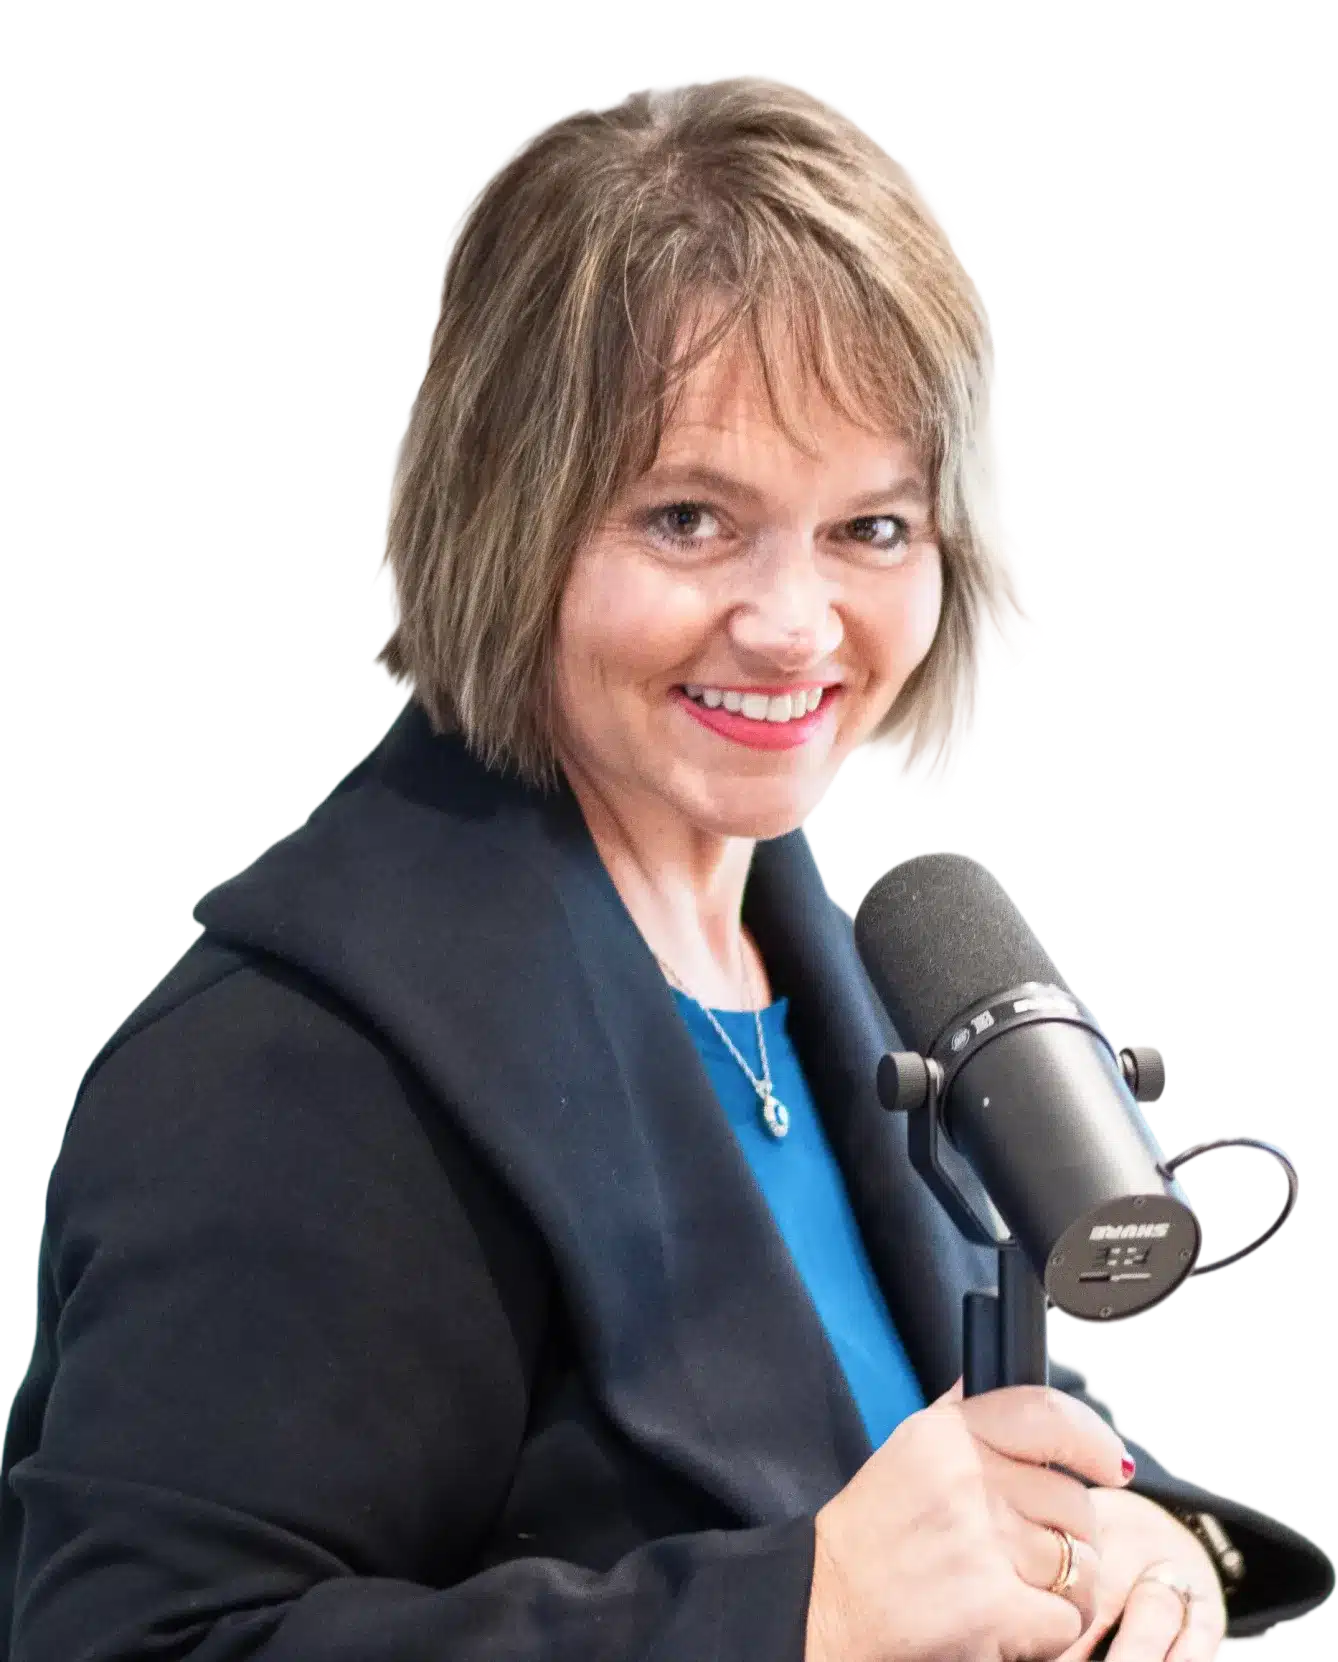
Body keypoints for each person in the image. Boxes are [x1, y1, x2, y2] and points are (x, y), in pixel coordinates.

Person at [2, 71, 1332, 1662]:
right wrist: (793, 1610)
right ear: (511, 512)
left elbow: (920, 1422)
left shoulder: (824, 956)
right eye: (691, 517)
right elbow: (140, 1645)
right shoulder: (291, 1069)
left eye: (873, 528)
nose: (792, 626)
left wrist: (1132, 1524)